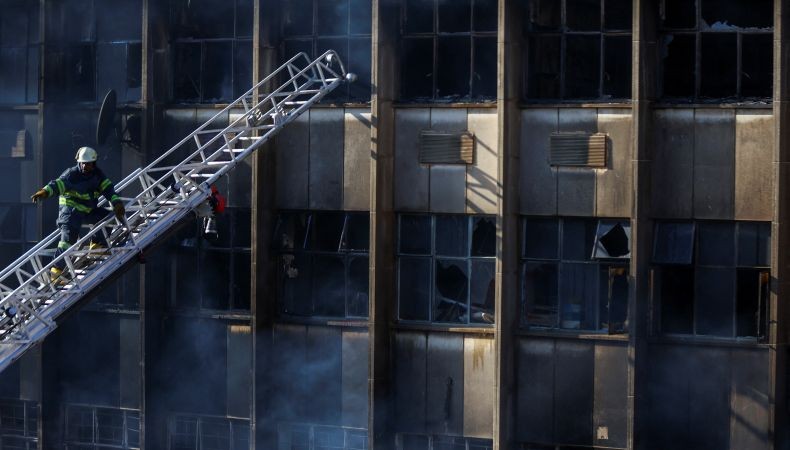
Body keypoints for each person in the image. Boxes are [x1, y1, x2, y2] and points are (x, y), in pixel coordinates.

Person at [30, 147, 125, 282]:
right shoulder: (71, 174)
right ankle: (56, 272)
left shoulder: (98, 175)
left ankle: (97, 246)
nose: (86, 166)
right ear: (79, 162)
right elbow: (57, 185)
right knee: (67, 241)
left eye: (89, 163)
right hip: (70, 212)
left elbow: (109, 190)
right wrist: (44, 192)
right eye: (83, 163)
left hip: (87, 210)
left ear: (94, 163)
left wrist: (117, 203)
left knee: (107, 218)